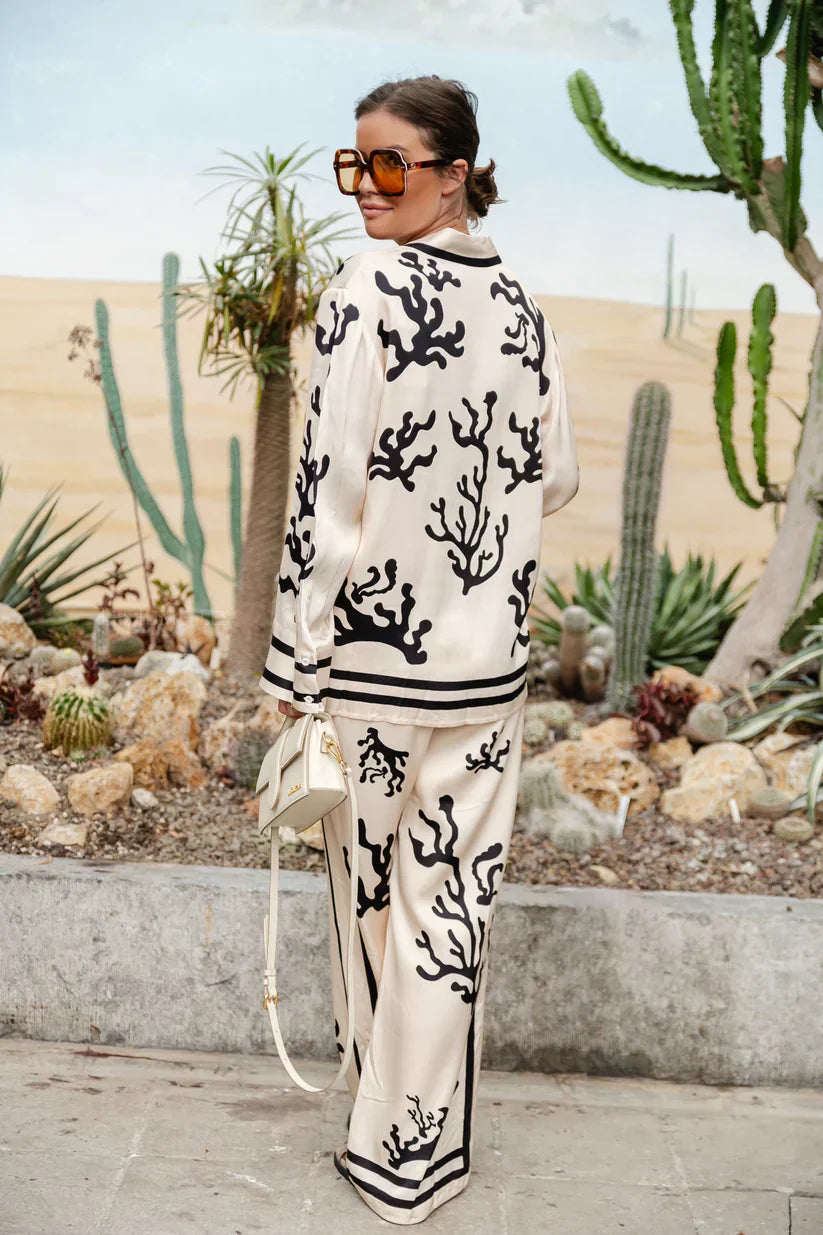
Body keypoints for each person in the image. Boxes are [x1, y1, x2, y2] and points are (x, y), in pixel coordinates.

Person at [258, 73, 579, 1225]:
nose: (364, 186)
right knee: (452, 912)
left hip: (369, 669)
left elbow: (327, 491)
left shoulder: (365, 289)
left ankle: (383, 1143)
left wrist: (294, 658)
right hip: (487, 670)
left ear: (452, 173)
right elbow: (558, 475)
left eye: (388, 164)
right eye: (353, 163)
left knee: (373, 907)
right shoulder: (525, 307)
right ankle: (418, 1154)